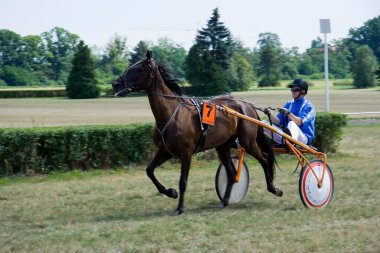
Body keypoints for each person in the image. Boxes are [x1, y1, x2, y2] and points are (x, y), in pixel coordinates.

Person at [264, 79, 316, 145]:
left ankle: (290, 142)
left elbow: (299, 122)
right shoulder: (288, 104)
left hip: (303, 139)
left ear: (303, 91)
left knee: (292, 123)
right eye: (292, 89)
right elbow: (278, 121)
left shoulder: (309, 107)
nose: (293, 91)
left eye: (296, 89)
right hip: (286, 138)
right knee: (263, 123)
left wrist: (289, 113)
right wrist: (269, 114)